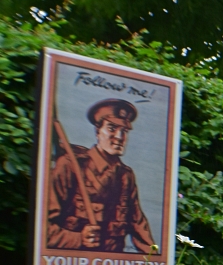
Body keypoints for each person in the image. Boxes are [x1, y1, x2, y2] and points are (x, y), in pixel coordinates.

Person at [47, 98, 155, 253]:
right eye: (112, 128)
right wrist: (78, 239)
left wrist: (157, 262)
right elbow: (44, 229)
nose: (119, 137)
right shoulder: (70, 166)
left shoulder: (125, 176)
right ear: (98, 131)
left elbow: (138, 226)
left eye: (124, 131)